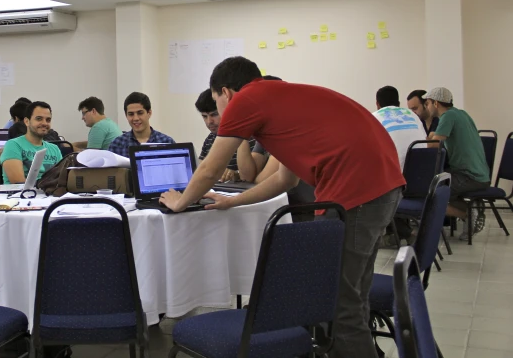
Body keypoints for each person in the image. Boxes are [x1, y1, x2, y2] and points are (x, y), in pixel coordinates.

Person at [159, 57, 403, 358]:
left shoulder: (246, 99)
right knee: (353, 297)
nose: (219, 113)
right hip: (383, 186)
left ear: (227, 93)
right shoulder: (281, 102)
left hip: (357, 191)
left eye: (215, 102)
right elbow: (285, 180)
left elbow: (210, 167)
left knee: (339, 306)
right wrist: (233, 201)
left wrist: (181, 200)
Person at [424, 87, 490, 239]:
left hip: (469, 176)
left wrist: (431, 134)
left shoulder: (447, 117)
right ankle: (471, 208)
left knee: (432, 192)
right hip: (479, 174)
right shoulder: (461, 114)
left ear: (435, 103)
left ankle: (467, 214)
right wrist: (434, 135)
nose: (427, 107)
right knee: (439, 184)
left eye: (427, 104)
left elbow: (433, 145)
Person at [194, 89, 260, 182]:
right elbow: (200, 170)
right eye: (204, 116)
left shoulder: (252, 137)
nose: (209, 121)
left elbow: (248, 176)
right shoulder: (211, 138)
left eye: (214, 114)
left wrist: (235, 175)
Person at [0, 101, 62, 183]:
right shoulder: (13, 145)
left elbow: (61, 179)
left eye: (48, 120)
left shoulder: (54, 149)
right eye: (39, 119)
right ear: (27, 121)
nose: (44, 123)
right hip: (20, 195)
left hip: (48, 194)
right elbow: (18, 182)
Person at [372, 86, 427, 169]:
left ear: (377, 104)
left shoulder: (373, 117)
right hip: (424, 171)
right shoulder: (412, 114)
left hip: (395, 175)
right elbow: (425, 141)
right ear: (398, 103)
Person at [108, 92, 175, 156]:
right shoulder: (117, 144)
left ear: (149, 113)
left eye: (140, 113)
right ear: (126, 116)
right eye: (131, 114)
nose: (135, 118)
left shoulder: (166, 142)